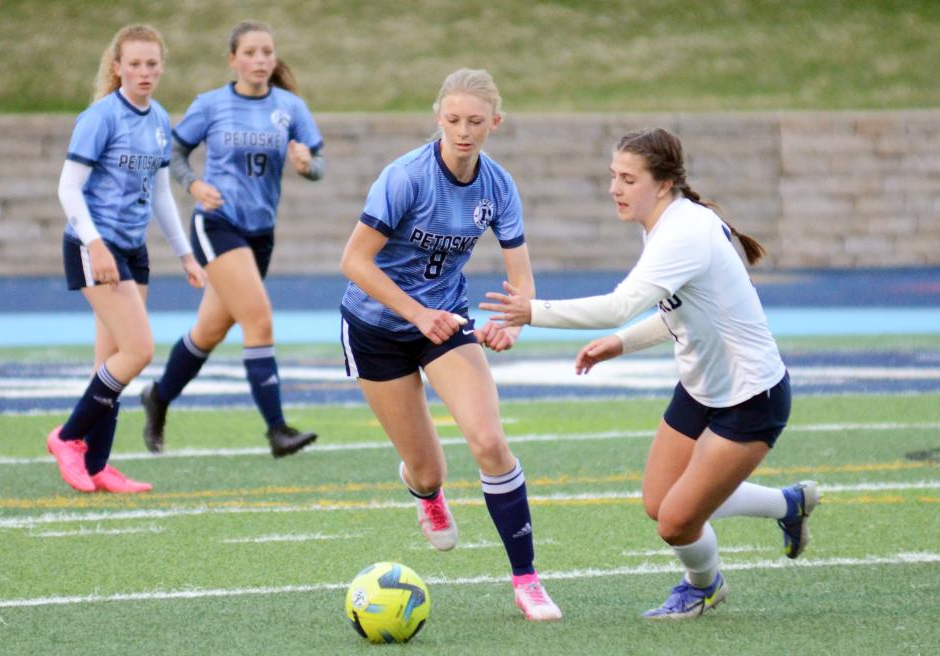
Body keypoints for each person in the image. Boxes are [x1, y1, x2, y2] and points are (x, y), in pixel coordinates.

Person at [481, 127, 820, 619]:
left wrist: (531, 311)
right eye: (613, 176)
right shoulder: (667, 224)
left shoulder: (684, 232)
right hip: (701, 389)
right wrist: (622, 344)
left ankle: (703, 586)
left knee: (676, 523)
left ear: (663, 184)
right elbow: (683, 312)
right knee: (659, 501)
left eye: (628, 179)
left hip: (751, 398)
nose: (615, 189)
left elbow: (620, 304)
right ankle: (788, 505)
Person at [339, 68, 561, 622]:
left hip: (446, 322)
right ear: (439, 117)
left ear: (495, 124)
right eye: (454, 119)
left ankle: (527, 580)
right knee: (429, 470)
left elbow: (522, 278)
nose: (464, 131)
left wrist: (514, 320)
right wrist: (416, 313)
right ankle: (426, 495)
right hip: (377, 329)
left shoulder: (498, 186)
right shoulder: (405, 177)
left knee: (488, 440)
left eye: (476, 122)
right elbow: (354, 262)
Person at [140, 21, 324, 458]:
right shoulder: (212, 104)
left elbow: (318, 165)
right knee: (258, 319)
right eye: (251, 52)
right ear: (233, 59)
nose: (260, 60)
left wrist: (305, 164)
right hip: (217, 223)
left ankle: (158, 397)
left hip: (261, 234)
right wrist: (193, 186)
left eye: (267, 52)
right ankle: (278, 430)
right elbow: (173, 154)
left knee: (209, 330)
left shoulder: (290, 108)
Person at [51, 25, 207, 494]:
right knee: (139, 351)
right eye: (135, 64)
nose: (144, 72)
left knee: (111, 360)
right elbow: (68, 187)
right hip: (94, 247)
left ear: (161, 67)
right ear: (117, 66)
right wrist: (95, 245)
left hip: (134, 253)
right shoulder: (101, 117)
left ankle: (97, 466)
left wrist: (185, 254)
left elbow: (160, 192)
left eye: (152, 64)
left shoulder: (159, 118)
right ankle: (68, 437)